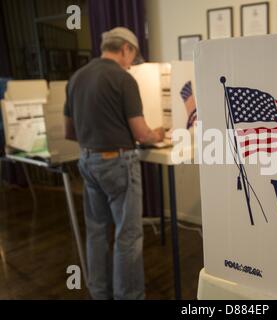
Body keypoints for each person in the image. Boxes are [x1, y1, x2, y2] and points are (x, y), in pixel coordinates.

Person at [64, 27, 164, 300]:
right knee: (128, 236)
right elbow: (141, 133)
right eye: (132, 55)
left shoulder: (76, 78)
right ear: (125, 49)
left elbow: (69, 132)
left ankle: (99, 293)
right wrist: (157, 133)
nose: (131, 62)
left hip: (87, 161)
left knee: (96, 232)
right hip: (118, 163)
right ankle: (128, 296)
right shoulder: (123, 78)